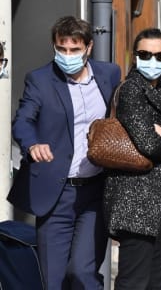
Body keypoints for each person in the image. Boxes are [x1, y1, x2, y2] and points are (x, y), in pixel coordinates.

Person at [9, 16, 121, 289]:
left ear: (89, 48)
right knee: (53, 280)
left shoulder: (109, 74)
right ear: (54, 47)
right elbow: (23, 120)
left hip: (95, 191)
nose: (67, 55)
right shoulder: (40, 80)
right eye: (62, 49)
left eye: (74, 50)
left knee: (82, 273)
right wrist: (32, 143)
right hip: (56, 194)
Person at [103, 28, 161, 289]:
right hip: (136, 202)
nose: (153, 61)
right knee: (135, 281)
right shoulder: (131, 90)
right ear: (134, 56)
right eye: (145, 54)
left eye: (160, 55)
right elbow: (148, 144)